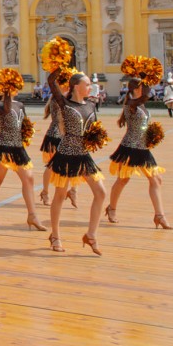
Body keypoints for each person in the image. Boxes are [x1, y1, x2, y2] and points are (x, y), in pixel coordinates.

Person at [44, 69, 107, 255]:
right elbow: (51, 81)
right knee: (60, 195)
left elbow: (93, 129)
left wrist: (96, 138)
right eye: (87, 84)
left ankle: (91, 235)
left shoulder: (91, 105)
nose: (90, 87)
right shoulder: (64, 104)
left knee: (101, 192)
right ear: (76, 86)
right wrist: (59, 65)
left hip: (84, 156)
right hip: (66, 155)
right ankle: (55, 236)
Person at [106, 76, 172, 229]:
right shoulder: (131, 104)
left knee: (156, 179)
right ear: (137, 89)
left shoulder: (139, 104)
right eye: (144, 87)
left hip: (142, 148)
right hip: (130, 147)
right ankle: (111, 208)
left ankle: (159, 216)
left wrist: (152, 135)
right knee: (123, 180)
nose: (148, 90)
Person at [0, 79, 46, 231]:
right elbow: (6, 109)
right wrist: (4, 92)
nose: (18, 88)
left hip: (18, 149)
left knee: (29, 179)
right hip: (3, 148)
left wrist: (28, 132)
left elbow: (24, 124)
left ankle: (32, 216)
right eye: (14, 86)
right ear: (7, 88)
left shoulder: (20, 105)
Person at [38, 75, 76, 209]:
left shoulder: (69, 98)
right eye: (66, 84)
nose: (68, 86)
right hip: (55, 135)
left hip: (67, 136)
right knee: (52, 166)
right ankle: (45, 192)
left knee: (72, 164)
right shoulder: (57, 98)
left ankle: (72, 190)